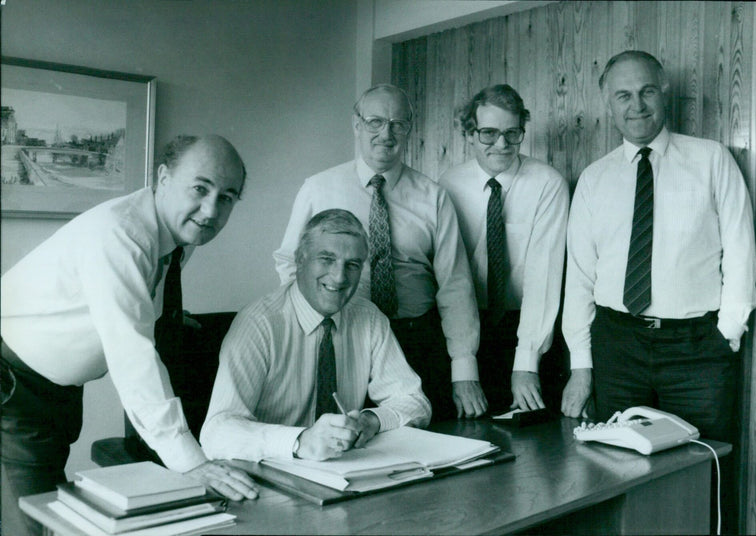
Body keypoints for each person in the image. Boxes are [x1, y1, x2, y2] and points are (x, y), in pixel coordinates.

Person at [1, 135, 259, 536]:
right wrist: (192, 461)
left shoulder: (177, 234)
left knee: (49, 522)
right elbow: (131, 356)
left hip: (54, 394)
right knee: (32, 527)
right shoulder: (119, 233)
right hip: (13, 387)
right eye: (200, 188)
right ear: (163, 177)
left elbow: (135, 296)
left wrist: (168, 316)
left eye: (227, 197)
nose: (210, 210)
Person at [561, 50, 756, 532]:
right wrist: (581, 366)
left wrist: (726, 332)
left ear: (664, 88)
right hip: (618, 346)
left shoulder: (711, 160)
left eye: (646, 91)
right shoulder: (594, 178)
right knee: (619, 477)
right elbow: (580, 279)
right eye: (623, 95)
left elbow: (740, 252)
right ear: (608, 102)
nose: (637, 105)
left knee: (706, 471)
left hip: (697, 350)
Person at [274, 84, 485, 421]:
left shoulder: (433, 196)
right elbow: (290, 262)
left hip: (418, 342)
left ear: (409, 129)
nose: (386, 134)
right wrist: (316, 323)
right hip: (346, 338)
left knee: (427, 447)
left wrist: (464, 371)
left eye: (397, 124)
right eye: (375, 122)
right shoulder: (318, 188)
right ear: (356, 124)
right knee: (346, 441)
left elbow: (455, 285)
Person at [201, 209, 431, 461]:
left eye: (352, 265)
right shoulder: (258, 323)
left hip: (345, 471)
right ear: (300, 258)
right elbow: (216, 433)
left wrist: (370, 420)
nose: (340, 277)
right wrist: (299, 441)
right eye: (326, 259)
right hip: (273, 471)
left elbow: (414, 401)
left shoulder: (369, 317)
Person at [439, 84, 569, 415]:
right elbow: (448, 276)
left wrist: (526, 363)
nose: (502, 144)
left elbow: (544, 275)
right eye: (488, 133)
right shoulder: (447, 186)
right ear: (469, 134)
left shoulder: (547, 183)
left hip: (529, 327)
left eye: (512, 134)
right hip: (464, 328)